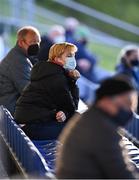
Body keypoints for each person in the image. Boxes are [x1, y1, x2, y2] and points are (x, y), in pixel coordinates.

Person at [56, 76, 138, 179]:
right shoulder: (103, 130)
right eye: (127, 104)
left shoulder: (91, 117)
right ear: (107, 100)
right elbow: (122, 175)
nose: (130, 111)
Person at [14, 42, 80, 140]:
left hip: (27, 123)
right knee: (76, 129)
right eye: (69, 56)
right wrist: (73, 81)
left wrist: (64, 112)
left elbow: (66, 107)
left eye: (73, 56)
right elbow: (72, 107)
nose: (73, 59)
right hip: (32, 127)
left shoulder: (48, 71)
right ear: (57, 59)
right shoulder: (56, 77)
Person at [0, 26, 41, 115]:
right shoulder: (18, 61)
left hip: (11, 109)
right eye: (33, 42)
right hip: (12, 111)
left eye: (38, 42)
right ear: (21, 42)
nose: (36, 45)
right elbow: (28, 91)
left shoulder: (20, 56)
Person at [116, 45, 139, 112]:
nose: (137, 59)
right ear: (126, 56)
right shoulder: (122, 73)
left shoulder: (134, 70)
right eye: (135, 56)